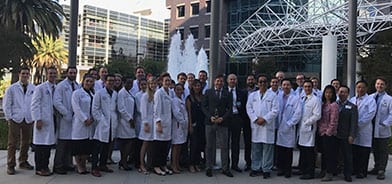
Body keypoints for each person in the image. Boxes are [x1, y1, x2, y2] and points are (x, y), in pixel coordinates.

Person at [3, 67, 35, 175]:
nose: (25, 75)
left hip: (28, 118)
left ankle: (23, 161)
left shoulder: (33, 88)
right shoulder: (12, 88)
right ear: (19, 74)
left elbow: (34, 104)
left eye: (27, 73)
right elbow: (7, 104)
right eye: (23, 73)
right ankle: (10, 165)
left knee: (26, 142)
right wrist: (9, 118)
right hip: (15, 119)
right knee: (12, 143)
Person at [246, 74, 279, 179]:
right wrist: (255, 119)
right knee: (256, 149)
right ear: (257, 83)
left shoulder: (273, 95)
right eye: (260, 82)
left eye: (264, 81)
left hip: (267, 125)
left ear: (267, 83)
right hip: (256, 125)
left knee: (268, 149)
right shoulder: (252, 95)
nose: (262, 83)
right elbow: (249, 108)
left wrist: (264, 119)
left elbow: (275, 110)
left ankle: (266, 169)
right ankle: (256, 168)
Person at [202, 74, 233, 177]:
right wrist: (209, 116)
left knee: (224, 146)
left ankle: (225, 168)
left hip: (223, 123)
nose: (219, 83)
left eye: (221, 81)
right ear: (214, 82)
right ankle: (209, 167)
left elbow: (230, 109)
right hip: (210, 122)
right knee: (209, 146)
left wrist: (223, 118)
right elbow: (204, 106)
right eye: (217, 81)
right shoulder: (208, 92)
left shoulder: (227, 93)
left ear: (223, 82)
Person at [31, 66, 58, 176]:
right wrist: (38, 119)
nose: (52, 75)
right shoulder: (40, 88)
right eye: (50, 73)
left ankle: (45, 166)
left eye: (54, 73)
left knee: (48, 146)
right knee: (40, 146)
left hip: (52, 120)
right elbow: (34, 104)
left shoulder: (56, 88)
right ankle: (39, 168)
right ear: (47, 75)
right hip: (42, 120)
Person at [53, 66, 79, 174]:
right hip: (65, 119)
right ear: (67, 73)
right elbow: (57, 102)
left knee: (69, 144)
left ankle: (68, 164)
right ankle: (58, 165)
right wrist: (66, 113)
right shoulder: (61, 86)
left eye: (74, 73)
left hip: (74, 119)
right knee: (62, 144)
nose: (73, 74)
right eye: (71, 72)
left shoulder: (77, 86)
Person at [91, 74, 118, 177]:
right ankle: (94, 167)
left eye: (113, 81)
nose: (111, 82)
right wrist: (101, 120)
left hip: (111, 123)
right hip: (102, 125)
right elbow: (95, 109)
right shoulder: (99, 93)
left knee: (106, 147)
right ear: (105, 82)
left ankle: (103, 165)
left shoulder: (115, 94)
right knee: (98, 147)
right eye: (109, 81)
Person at [349, 80, 376, 179]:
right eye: (358, 87)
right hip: (353, 130)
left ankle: (362, 171)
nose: (360, 89)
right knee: (355, 151)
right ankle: (355, 169)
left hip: (364, 129)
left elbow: (370, 114)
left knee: (363, 152)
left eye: (362, 87)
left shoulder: (370, 100)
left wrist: (357, 124)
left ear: (366, 88)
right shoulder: (352, 100)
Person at [275, 79, 302, 178]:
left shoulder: (295, 98)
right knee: (280, 150)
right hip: (279, 126)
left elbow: (298, 113)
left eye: (288, 85)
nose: (286, 86)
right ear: (281, 86)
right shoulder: (278, 97)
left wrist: (290, 123)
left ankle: (287, 170)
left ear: (291, 86)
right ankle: (280, 169)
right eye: (284, 85)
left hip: (289, 127)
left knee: (288, 151)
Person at [368, 77, 392, 180]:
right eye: (378, 84)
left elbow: (391, 114)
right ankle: (376, 167)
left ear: (385, 86)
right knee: (375, 149)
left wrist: (385, 123)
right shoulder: (370, 97)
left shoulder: (389, 99)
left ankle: (382, 170)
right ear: (375, 85)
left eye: (382, 84)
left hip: (382, 128)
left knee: (383, 150)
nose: (379, 86)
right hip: (371, 127)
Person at [71, 74, 95, 174]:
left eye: (91, 81)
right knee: (78, 147)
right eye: (87, 81)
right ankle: (79, 166)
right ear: (83, 81)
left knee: (86, 147)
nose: (89, 83)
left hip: (91, 123)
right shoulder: (77, 93)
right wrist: (85, 119)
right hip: (80, 123)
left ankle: (84, 165)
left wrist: (93, 118)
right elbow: (76, 107)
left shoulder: (93, 93)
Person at [297, 80, 321, 179]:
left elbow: (317, 115)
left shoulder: (315, 100)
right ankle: (302, 170)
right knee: (302, 150)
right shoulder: (302, 98)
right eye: (305, 87)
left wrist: (307, 122)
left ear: (312, 87)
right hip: (301, 129)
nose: (307, 88)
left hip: (309, 128)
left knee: (309, 152)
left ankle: (310, 172)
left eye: (309, 87)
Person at [152, 73, 174, 176]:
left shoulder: (170, 92)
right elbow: (156, 110)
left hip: (168, 123)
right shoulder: (158, 93)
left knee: (165, 147)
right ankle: (156, 166)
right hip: (160, 123)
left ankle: (163, 165)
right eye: (166, 81)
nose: (168, 82)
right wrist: (158, 123)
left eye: (169, 81)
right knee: (158, 146)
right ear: (161, 82)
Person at [317, 85, 339, 181]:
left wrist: (328, 132)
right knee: (323, 153)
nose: (328, 94)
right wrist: (321, 130)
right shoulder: (323, 104)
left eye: (330, 92)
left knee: (329, 154)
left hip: (329, 134)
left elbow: (333, 121)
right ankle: (323, 170)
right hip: (321, 132)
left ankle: (329, 172)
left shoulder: (334, 105)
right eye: (326, 92)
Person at [336, 85, 358, 182]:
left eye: (344, 92)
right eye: (341, 92)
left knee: (347, 156)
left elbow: (354, 123)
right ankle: (335, 171)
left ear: (348, 94)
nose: (342, 94)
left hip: (346, 135)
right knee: (335, 154)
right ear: (338, 93)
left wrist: (352, 135)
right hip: (334, 134)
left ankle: (347, 174)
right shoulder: (334, 104)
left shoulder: (352, 107)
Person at [226, 74, 247, 172]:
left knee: (236, 143)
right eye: (231, 79)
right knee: (225, 143)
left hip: (236, 118)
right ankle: (225, 164)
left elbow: (244, 107)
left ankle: (235, 164)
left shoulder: (242, 93)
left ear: (236, 81)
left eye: (234, 79)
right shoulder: (224, 91)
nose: (232, 81)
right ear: (227, 80)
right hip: (225, 119)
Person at [116, 76, 136, 171]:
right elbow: (121, 108)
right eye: (128, 83)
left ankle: (123, 161)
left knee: (128, 142)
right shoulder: (121, 93)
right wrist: (130, 119)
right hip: (125, 121)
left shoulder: (129, 93)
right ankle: (123, 162)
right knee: (127, 142)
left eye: (131, 83)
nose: (130, 85)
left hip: (129, 120)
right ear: (123, 83)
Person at [186, 79, 205, 173]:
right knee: (193, 145)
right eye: (195, 85)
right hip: (193, 124)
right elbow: (188, 113)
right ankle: (191, 164)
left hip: (202, 124)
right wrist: (190, 125)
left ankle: (197, 163)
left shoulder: (203, 97)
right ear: (192, 87)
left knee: (199, 145)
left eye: (199, 85)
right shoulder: (189, 98)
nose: (197, 87)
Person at [139, 77, 156, 174]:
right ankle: (142, 164)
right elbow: (143, 111)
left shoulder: (156, 94)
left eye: (154, 83)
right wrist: (145, 123)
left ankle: (150, 164)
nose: (153, 85)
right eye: (151, 83)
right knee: (145, 144)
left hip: (154, 122)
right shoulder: (145, 96)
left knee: (152, 145)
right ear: (148, 85)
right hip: (147, 122)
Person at [171, 84, 189, 173]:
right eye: (177, 89)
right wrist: (184, 122)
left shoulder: (181, 100)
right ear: (174, 90)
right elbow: (177, 113)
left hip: (182, 126)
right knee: (175, 146)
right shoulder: (174, 100)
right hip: (178, 125)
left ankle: (177, 164)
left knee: (179, 146)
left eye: (180, 90)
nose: (179, 91)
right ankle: (174, 165)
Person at [243, 74, 257, 171]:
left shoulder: (259, 91)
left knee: (257, 142)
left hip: (257, 120)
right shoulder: (243, 92)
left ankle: (256, 162)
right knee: (247, 143)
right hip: (246, 120)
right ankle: (248, 162)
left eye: (252, 79)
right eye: (249, 79)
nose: (250, 81)